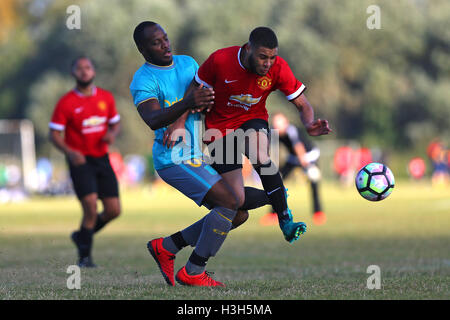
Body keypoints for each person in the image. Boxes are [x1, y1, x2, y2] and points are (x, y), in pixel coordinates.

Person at [129, 21, 267, 287]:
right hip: (172, 158)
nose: (165, 45)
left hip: (195, 155)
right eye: (156, 43)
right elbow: (153, 119)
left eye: (166, 38)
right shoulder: (143, 79)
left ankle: (167, 246)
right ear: (142, 49)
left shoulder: (188, 64)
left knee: (237, 214)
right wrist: (189, 103)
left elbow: (205, 102)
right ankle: (193, 272)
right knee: (229, 202)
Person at [194, 26, 332, 243]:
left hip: (252, 119)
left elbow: (303, 104)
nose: (268, 63)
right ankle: (276, 194)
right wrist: (179, 123)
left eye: (272, 57)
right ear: (248, 49)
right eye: (262, 57)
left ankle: (285, 219)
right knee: (236, 199)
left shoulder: (278, 68)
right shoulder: (220, 60)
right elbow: (193, 92)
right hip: (219, 129)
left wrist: (309, 124)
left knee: (260, 155)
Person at [49, 56, 121, 268]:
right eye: (79, 68)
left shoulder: (106, 98)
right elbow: (53, 134)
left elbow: (115, 124)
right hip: (80, 161)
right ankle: (85, 258)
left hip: (102, 158)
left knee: (113, 210)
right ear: (73, 73)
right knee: (90, 206)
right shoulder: (66, 102)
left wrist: (112, 134)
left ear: (94, 72)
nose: (84, 71)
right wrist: (70, 152)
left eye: (88, 67)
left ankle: (81, 236)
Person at [260, 112, 326, 226]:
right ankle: (273, 213)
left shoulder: (291, 130)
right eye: (275, 123)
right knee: (276, 183)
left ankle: (318, 213)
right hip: (293, 158)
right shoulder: (274, 132)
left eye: (279, 123)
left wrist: (308, 167)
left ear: (286, 123)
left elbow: (299, 148)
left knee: (314, 183)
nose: (277, 126)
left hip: (308, 156)